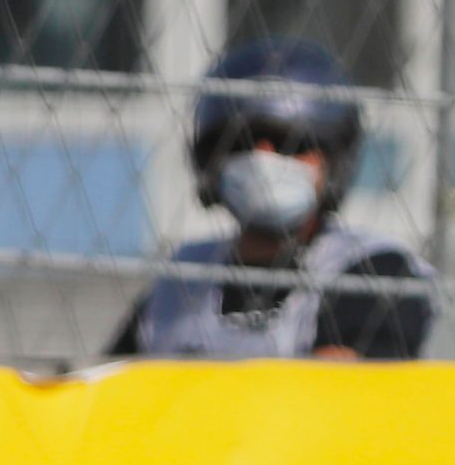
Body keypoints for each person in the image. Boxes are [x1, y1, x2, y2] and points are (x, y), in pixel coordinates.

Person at [108, 37, 434, 360]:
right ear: (208, 159)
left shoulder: (373, 269)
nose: (262, 158)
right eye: (240, 142)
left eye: (290, 143)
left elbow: (343, 385)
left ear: (334, 160)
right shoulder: (185, 276)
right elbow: (110, 377)